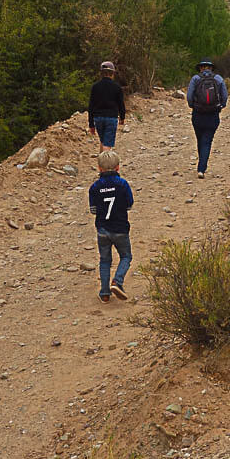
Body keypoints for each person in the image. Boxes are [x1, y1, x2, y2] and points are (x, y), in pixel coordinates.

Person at [87, 150, 134, 303]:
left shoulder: (94, 187)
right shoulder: (122, 184)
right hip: (120, 228)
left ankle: (105, 292)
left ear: (99, 168)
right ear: (118, 167)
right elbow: (129, 204)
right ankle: (117, 281)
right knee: (126, 256)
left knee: (105, 260)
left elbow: (93, 210)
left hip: (102, 229)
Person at [187, 59, 227, 178]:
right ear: (211, 68)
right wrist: (221, 106)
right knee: (207, 140)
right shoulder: (218, 79)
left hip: (198, 114)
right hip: (213, 114)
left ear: (200, 68)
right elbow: (224, 96)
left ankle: (201, 166)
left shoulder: (195, 79)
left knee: (200, 139)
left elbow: (189, 96)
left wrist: (192, 106)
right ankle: (202, 168)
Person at [87, 61, 126, 151]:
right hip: (111, 118)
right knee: (107, 144)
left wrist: (91, 124)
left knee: (103, 141)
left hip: (98, 118)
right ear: (112, 73)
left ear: (101, 73)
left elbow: (91, 106)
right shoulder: (117, 87)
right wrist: (122, 117)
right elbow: (121, 104)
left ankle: (101, 164)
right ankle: (105, 164)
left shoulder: (95, 87)